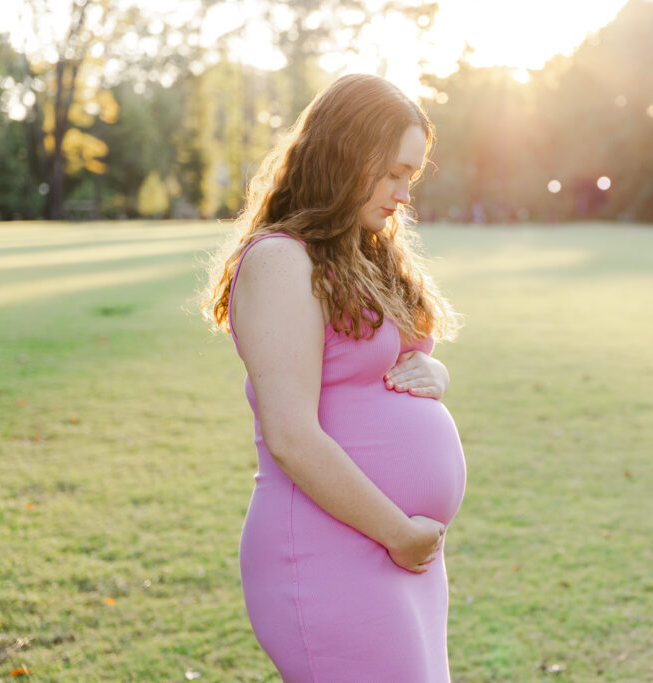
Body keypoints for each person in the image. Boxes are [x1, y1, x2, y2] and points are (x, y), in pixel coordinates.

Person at [200, 73, 466, 681]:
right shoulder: (278, 260)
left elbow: (386, 364)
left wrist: (434, 374)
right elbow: (291, 435)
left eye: (412, 177)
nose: (404, 194)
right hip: (329, 549)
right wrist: (399, 532)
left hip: (397, 553)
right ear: (348, 153)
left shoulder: (362, 250)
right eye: (394, 172)